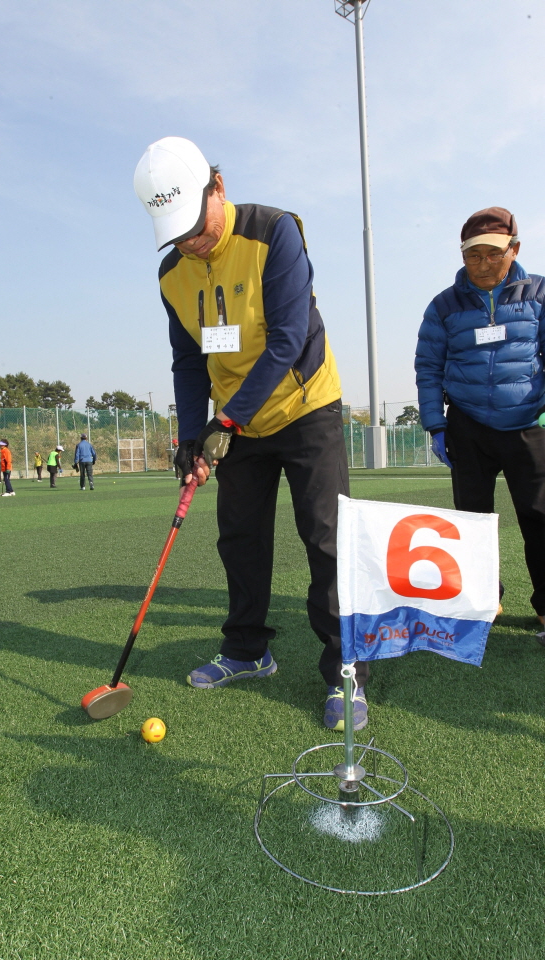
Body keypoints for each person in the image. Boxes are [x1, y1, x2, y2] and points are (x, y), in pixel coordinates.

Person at [134, 136, 365, 730]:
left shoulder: (275, 232)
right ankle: (246, 650)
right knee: (239, 536)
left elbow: (288, 338)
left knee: (325, 538)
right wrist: (192, 437)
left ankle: (345, 670)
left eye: (196, 225)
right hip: (236, 419)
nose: (192, 242)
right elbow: (189, 361)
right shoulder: (171, 274)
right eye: (177, 234)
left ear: (219, 188)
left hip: (304, 404)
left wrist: (224, 421)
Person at [415, 207, 545, 628]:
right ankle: (484, 602)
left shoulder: (539, 295)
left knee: (540, 519)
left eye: (493, 254)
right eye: (473, 256)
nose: (483, 264)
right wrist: (436, 424)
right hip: (468, 426)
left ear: (514, 249)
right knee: (471, 524)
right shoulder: (444, 305)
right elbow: (428, 367)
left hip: (530, 426)